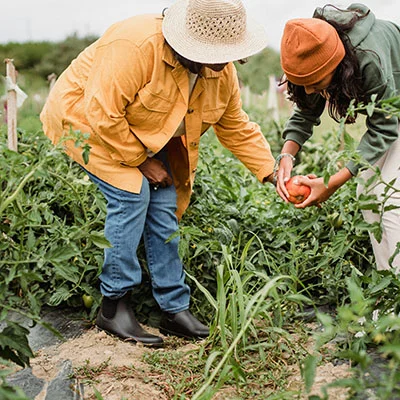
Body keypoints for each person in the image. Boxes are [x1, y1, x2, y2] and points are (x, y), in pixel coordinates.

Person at [40, 0, 275, 346]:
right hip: (86, 122)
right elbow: (103, 114)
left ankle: (174, 308)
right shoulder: (135, 46)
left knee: (164, 204)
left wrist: (271, 173)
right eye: (215, 54)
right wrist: (141, 161)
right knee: (132, 194)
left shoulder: (220, 72)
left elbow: (235, 126)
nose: (222, 63)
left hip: (145, 130)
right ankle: (113, 305)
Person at [275, 3, 400, 273]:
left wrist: (330, 184)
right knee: (367, 192)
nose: (309, 90)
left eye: (316, 83)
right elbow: (305, 112)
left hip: (395, 111)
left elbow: (386, 128)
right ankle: (388, 293)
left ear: (338, 67)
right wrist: (286, 156)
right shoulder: (311, 48)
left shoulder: (369, 59)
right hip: (390, 116)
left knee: (390, 200)